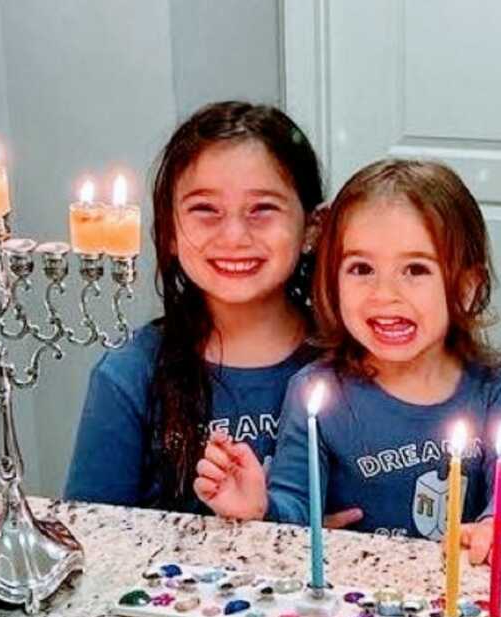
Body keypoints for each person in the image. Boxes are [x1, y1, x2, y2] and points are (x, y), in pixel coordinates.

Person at [195, 159, 501, 564]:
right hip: (356, 600)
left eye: (415, 269)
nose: (384, 294)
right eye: (361, 268)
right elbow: (295, 506)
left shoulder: (495, 384)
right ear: (332, 280)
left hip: (455, 592)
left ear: (467, 288)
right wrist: (260, 509)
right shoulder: (317, 391)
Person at [64, 101, 327, 514]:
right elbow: (95, 537)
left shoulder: (353, 362)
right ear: (169, 232)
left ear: (312, 228)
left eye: (262, 209)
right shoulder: (129, 374)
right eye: (205, 210)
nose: (235, 235)